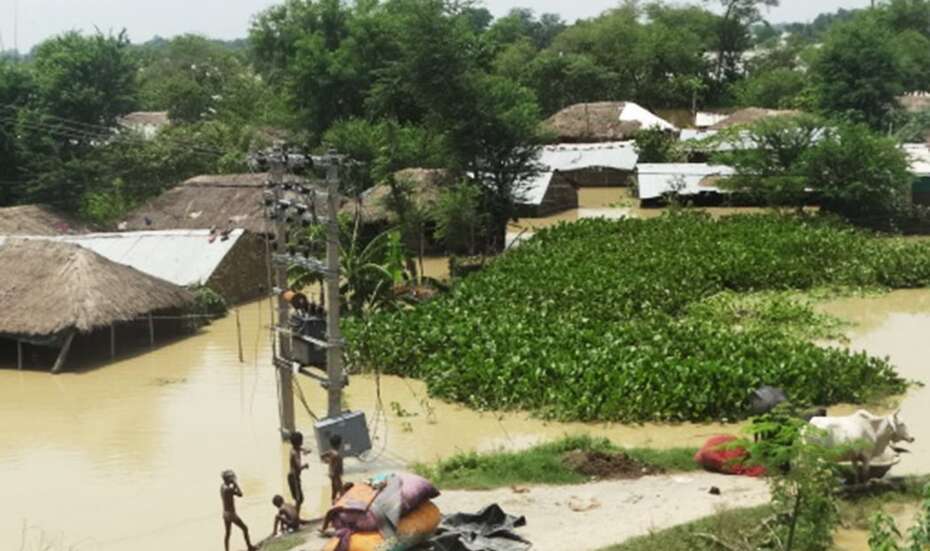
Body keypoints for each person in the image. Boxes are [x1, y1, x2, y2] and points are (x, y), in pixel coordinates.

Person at [221, 470, 257, 551]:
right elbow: (240, 494)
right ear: (227, 479)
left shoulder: (223, 487)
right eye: (231, 477)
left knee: (227, 533)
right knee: (245, 528)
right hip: (231, 514)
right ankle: (249, 547)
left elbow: (232, 492)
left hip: (225, 513)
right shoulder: (228, 489)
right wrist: (236, 483)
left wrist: (233, 485)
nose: (232, 478)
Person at [288, 431, 309, 516]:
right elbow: (299, 466)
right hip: (294, 478)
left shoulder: (294, 448)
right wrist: (305, 466)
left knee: (299, 499)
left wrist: (305, 450)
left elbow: (300, 448)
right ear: (299, 441)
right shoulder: (295, 453)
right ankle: (294, 517)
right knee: (299, 499)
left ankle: (295, 515)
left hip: (294, 477)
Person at [321, 434, 344, 504]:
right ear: (339, 444)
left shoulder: (331, 451)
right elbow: (337, 467)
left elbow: (322, 456)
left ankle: (333, 503)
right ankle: (338, 505)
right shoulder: (337, 455)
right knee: (342, 492)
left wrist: (328, 461)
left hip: (331, 474)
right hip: (336, 476)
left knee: (334, 491)